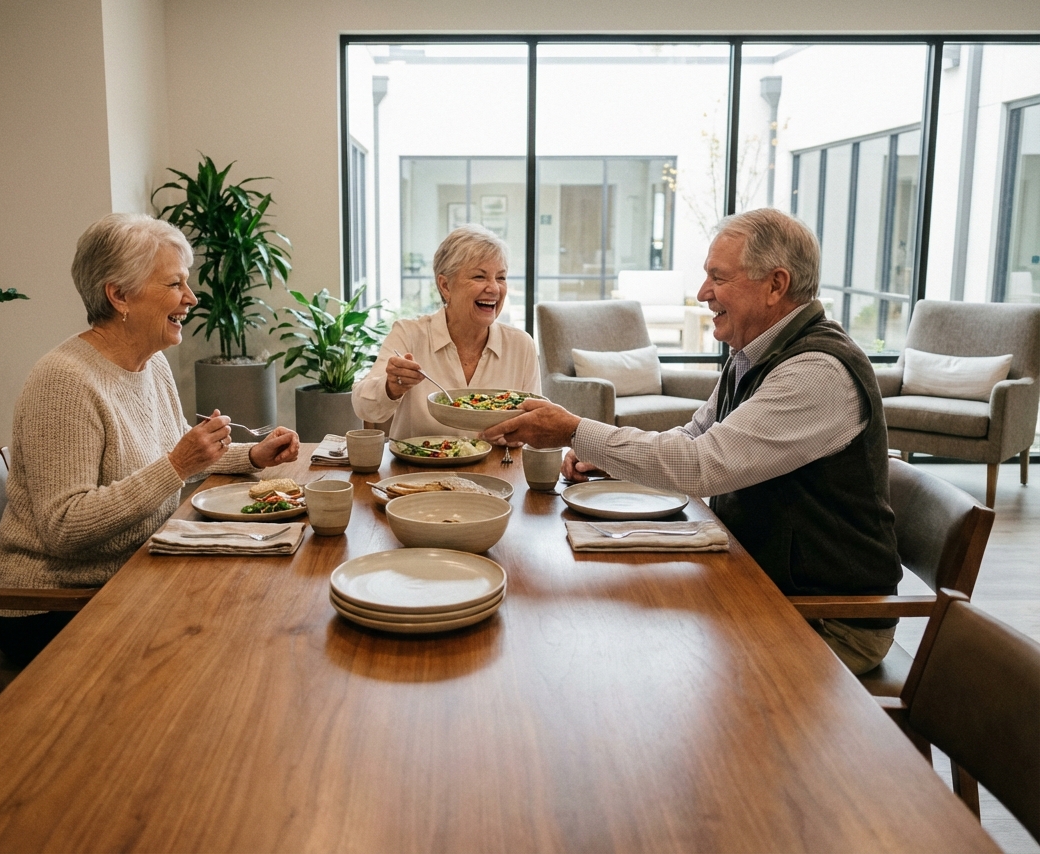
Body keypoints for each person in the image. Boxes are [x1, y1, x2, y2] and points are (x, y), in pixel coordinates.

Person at [483, 208, 901, 675]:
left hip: (823, 619)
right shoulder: (757, 353)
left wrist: (574, 430)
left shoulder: (817, 373)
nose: (703, 294)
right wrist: (608, 458)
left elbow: (702, 465)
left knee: (623, 658)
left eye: (717, 278)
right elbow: (691, 437)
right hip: (759, 582)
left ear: (775, 285)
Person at [0, 213, 299, 665]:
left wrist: (250, 454)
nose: (191, 299)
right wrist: (175, 465)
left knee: (260, 604)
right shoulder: (64, 381)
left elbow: (173, 457)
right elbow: (64, 528)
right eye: (175, 285)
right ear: (119, 295)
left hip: (136, 573)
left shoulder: (150, 362)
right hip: (51, 606)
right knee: (237, 637)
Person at [352, 224, 542, 439]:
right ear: (445, 286)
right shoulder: (408, 335)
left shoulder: (520, 345)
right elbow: (363, 407)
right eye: (479, 277)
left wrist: (522, 436)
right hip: (419, 470)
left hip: (497, 469)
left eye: (501, 277)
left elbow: (535, 426)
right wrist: (390, 388)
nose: (494, 288)